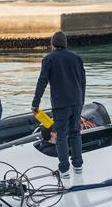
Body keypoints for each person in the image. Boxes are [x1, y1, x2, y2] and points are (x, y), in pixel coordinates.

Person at [31, 31, 86, 178]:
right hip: (76, 102)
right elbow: (83, 81)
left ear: (52, 44)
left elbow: (42, 81)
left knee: (61, 136)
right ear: (66, 44)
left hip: (60, 104)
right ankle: (78, 166)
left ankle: (64, 170)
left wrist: (35, 103)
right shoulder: (76, 58)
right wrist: (82, 101)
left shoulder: (49, 59)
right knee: (75, 134)